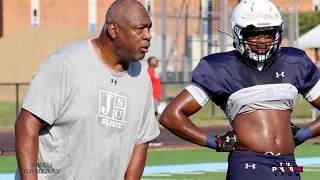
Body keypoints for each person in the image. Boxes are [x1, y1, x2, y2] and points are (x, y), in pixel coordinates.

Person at [159, 0, 320, 180]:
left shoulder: (295, 62)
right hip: (248, 164)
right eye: (254, 34)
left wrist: (304, 134)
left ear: (279, 32)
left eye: (269, 33)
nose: (262, 40)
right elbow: (171, 116)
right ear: (238, 33)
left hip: (288, 164)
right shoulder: (221, 67)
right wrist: (216, 142)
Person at [14, 0, 160, 180]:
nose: (148, 35)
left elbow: (140, 142)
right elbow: (27, 125)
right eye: (140, 29)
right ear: (113, 30)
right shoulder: (66, 63)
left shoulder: (142, 79)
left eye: (149, 28)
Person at [147, 56, 163, 147]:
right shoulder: (149, 72)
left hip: (156, 98)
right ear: (150, 62)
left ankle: (151, 138)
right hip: (152, 98)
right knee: (151, 119)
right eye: (155, 60)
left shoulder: (155, 72)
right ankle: (150, 139)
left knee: (154, 117)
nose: (157, 62)